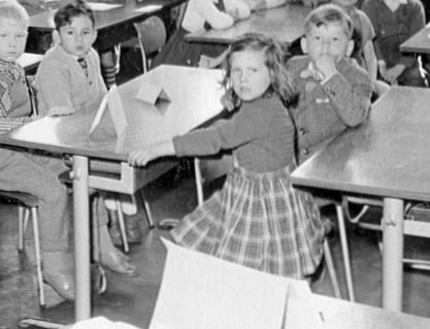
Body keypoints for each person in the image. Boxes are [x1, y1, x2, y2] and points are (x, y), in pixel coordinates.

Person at [129, 33, 325, 279]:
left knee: (248, 268)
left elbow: (216, 139)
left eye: (252, 71)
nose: (243, 79)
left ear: (272, 73)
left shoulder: (259, 114)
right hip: (257, 188)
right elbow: (230, 129)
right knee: (259, 266)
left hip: (261, 199)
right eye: (237, 71)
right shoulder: (266, 99)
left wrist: (157, 148)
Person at [0, 0, 76, 300]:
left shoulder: (12, 68)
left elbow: (24, 98)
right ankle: (54, 268)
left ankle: (92, 246)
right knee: (54, 191)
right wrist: (41, 119)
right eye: (4, 36)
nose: (13, 44)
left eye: (19, 36)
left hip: (18, 147)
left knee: (75, 171)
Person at [34, 0, 146, 250]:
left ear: (94, 35)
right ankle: (108, 233)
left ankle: (123, 215)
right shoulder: (53, 65)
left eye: (86, 33)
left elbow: (102, 98)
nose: (79, 40)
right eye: (70, 33)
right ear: (56, 36)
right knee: (117, 162)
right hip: (60, 144)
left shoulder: (92, 56)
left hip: (88, 134)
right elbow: (61, 120)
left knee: (132, 150)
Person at [288, 5, 372, 164]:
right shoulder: (293, 67)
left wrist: (331, 75)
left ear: (349, 48)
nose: (325, 46)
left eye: (335, 39)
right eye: (317, 38)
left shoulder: (358, 77)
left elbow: (355, 116)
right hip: (292, 162)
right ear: (305, 45)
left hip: (332, 164)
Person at [362, 0, 428, 87]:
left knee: (415, 81)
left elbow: (416, 42)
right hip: (378, 59)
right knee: (374, 87)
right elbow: (370, 40)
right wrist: (381, 65)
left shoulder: (415, 6)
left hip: (407, 60)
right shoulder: (370, 5)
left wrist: (400, 67)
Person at [325, 0, 379, 86]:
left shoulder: (362, 19)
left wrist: (371, 83)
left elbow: (370, 58)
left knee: (385, 91)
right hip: (329, 78)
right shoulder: (322, 18)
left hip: (357, 79)